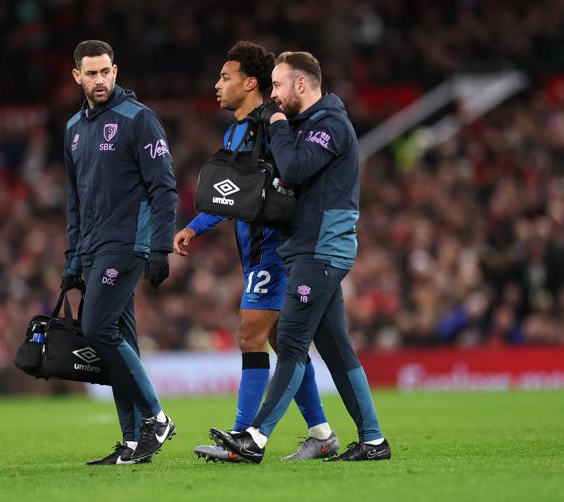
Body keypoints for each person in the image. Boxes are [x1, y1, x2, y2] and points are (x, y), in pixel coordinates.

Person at [210, 51, 391, 463]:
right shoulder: (307, 125)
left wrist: (275, 125)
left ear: (302, 84)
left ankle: (254, 437)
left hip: (321, 250)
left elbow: (292, 169)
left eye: (277, 85)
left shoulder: (328, 125)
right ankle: (374, 440)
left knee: (290, 340)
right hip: (307, 250)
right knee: (336, 349)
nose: (272, 95)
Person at [173, 42, 339, 462]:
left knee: (251, 334)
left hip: (277, 251)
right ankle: (321, 433)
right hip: (255, 252)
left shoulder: (273, 126)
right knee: (285, 344)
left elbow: (292, 181)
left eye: (225, 78)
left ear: (251, 83)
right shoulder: (234, 132)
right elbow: (233, 197)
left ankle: (242, 436)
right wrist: (195, 226)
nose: (217, 86)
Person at [61, 40, 177, 465]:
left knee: (97, 330)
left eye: (105, 71)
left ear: (116, 70)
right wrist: (72, 261)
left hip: (128, 243)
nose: (99, 80)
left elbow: (163, 186)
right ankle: (131, 442)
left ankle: (157, 419)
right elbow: (76, 199)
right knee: (119, 337)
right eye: (91, 73)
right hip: (92, 249)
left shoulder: (139, 119)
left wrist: (161, 246)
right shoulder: (73, 128)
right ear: (77, 76)